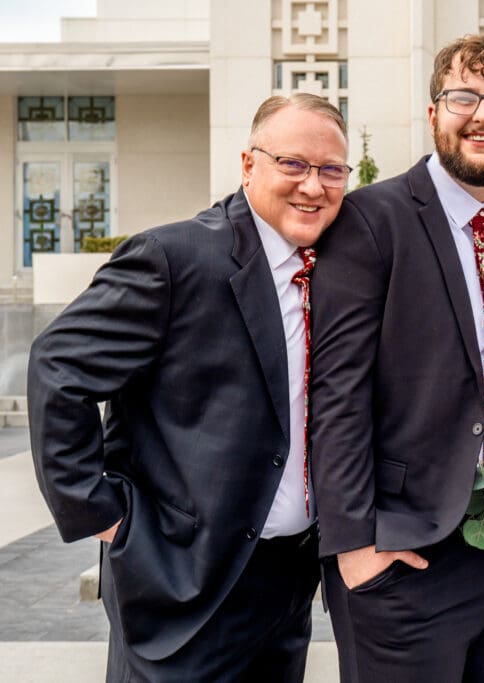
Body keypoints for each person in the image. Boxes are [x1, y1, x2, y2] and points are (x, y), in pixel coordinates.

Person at [28, 92, 350, 681]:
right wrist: (105, 515)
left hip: (286, 587)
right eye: (294, 164)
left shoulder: (331, 266)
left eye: (331, 170)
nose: (313, 185)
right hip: (180, 580)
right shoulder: (175, 258)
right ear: (249, 164)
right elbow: (57, 367)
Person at [309, 34, 484, 682]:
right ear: (433, 112)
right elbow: (336, 390)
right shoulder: (370, 218)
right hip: (402, 555)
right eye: (464, 96)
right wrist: (355, 546)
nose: (482, 115)